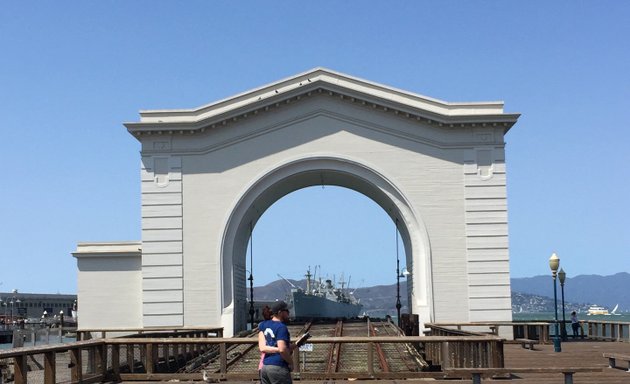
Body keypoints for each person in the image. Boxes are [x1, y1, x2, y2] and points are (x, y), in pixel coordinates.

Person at [258, 301, 293, 384]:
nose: (288, 313)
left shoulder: (263, 325)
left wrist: (296, 344)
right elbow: (282, 349)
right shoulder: (281, 327)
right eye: (287, 311)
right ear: (280, 312)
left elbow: (262, 347)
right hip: (278, 366)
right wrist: (291, 362)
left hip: (265, 367)